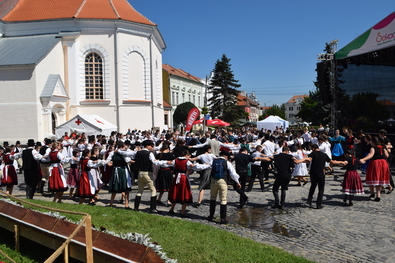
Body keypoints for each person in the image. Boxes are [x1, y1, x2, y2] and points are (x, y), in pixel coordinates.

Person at [133, 140, 167, 213]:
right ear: (147, 146)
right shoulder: (149, 153)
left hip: (140, 173)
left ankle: (136, 208)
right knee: (153, 190)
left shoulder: (138, 152)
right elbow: (155, 162)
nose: (152, 147)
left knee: (140, 191)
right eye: (151, 146)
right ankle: (153, 208)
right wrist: (165, 162)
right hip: (147, 173)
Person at [207, 151, 241, 224]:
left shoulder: (213, 161)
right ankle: (223, 219)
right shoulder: (227, 162)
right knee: (223, 200)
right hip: (222, 181)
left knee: (213, 198)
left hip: (213, 181)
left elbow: (204, 166)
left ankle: (211, 216)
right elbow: (233, 173)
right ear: (226, 157)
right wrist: (237, 182)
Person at [306, 144, 342, 209]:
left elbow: (309, 159)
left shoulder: (313, 153)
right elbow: (332, 162)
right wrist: (341, 162)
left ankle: (309, 200)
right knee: (321, 189)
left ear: (313, 148)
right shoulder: (324, 155)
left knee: (313, 186)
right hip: (321, 173)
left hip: (313, 172)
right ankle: (318, 204)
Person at [359, 136, 390, 202]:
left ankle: (372, 193)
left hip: (375, 163)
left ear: (372, 142)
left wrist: (363, 159)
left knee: (372, 177)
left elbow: (370, 155)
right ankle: (378, 196)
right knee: (379, 179)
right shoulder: (383, 147)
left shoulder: (373, 148)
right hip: (383, 163)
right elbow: (387, 156)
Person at [168, 150, 195, 217]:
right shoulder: (186, 161)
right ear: (186, 155)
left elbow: (171, 164)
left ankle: (172, 208)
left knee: (176, 191)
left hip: (177, 176)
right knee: (184, 192)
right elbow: (191, 166)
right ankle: (182, 211)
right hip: (183, 177)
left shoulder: (175, 160)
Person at [155, 142, 175, 207]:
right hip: (168, 171)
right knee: (169, 186)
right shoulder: (170, 156)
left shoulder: (159, 155)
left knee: (162, 185)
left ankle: (159, 198)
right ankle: (168, 200)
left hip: (161, 170)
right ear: (168, 149)